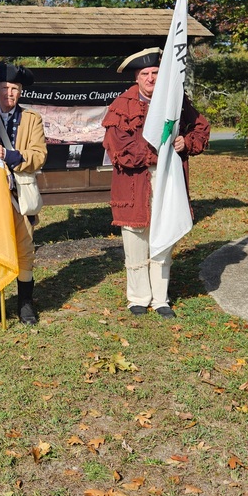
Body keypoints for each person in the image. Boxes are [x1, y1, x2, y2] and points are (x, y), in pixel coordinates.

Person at [102, 47, 209, 318]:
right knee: (136, 239)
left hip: (168, 181)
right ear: (136, 78)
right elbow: (120, 149)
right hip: (134, 183)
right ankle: (138, 297)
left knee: (163, 237)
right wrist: (161, 151)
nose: (151, 78)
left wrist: (186, 142)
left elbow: (200, 128)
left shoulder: (175, 101)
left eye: (156, 73)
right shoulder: (121, 105)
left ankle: (161, 298)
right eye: (145, 74)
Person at [0, 62, 47, 326]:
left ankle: (25, 304)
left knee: (24, 250)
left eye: (15, 89)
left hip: (19, 194)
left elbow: (39, 155)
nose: (9, 93)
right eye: (5, 88)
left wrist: (10, 155)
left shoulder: (32, 119)